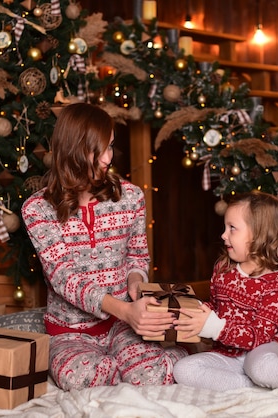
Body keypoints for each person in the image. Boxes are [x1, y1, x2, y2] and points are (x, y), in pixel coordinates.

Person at [21, 103, 187, 391]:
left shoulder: (131, 197)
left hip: (124, 326)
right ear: (72, 150)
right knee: (87, 377)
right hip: (70, 333)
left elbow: (137, 256)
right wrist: (123, 309)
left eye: (111, 146)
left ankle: (154, 359)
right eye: (98, 151)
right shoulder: (37, 209)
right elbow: (64, 278)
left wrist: (136, 283)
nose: (108, 158)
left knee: (154, 375)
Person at [173, 191, 278, 391]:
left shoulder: (275, 284)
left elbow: (260, 335)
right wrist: (198, 311)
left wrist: (216, 328)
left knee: (262, 368)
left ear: (260, 235)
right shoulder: (223, 268)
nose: (223, 235)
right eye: (225, 227)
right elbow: (217, 308)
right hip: (228, 353)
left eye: (232, 229)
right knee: (183, 369)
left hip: (263, 349)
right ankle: (249, 386)